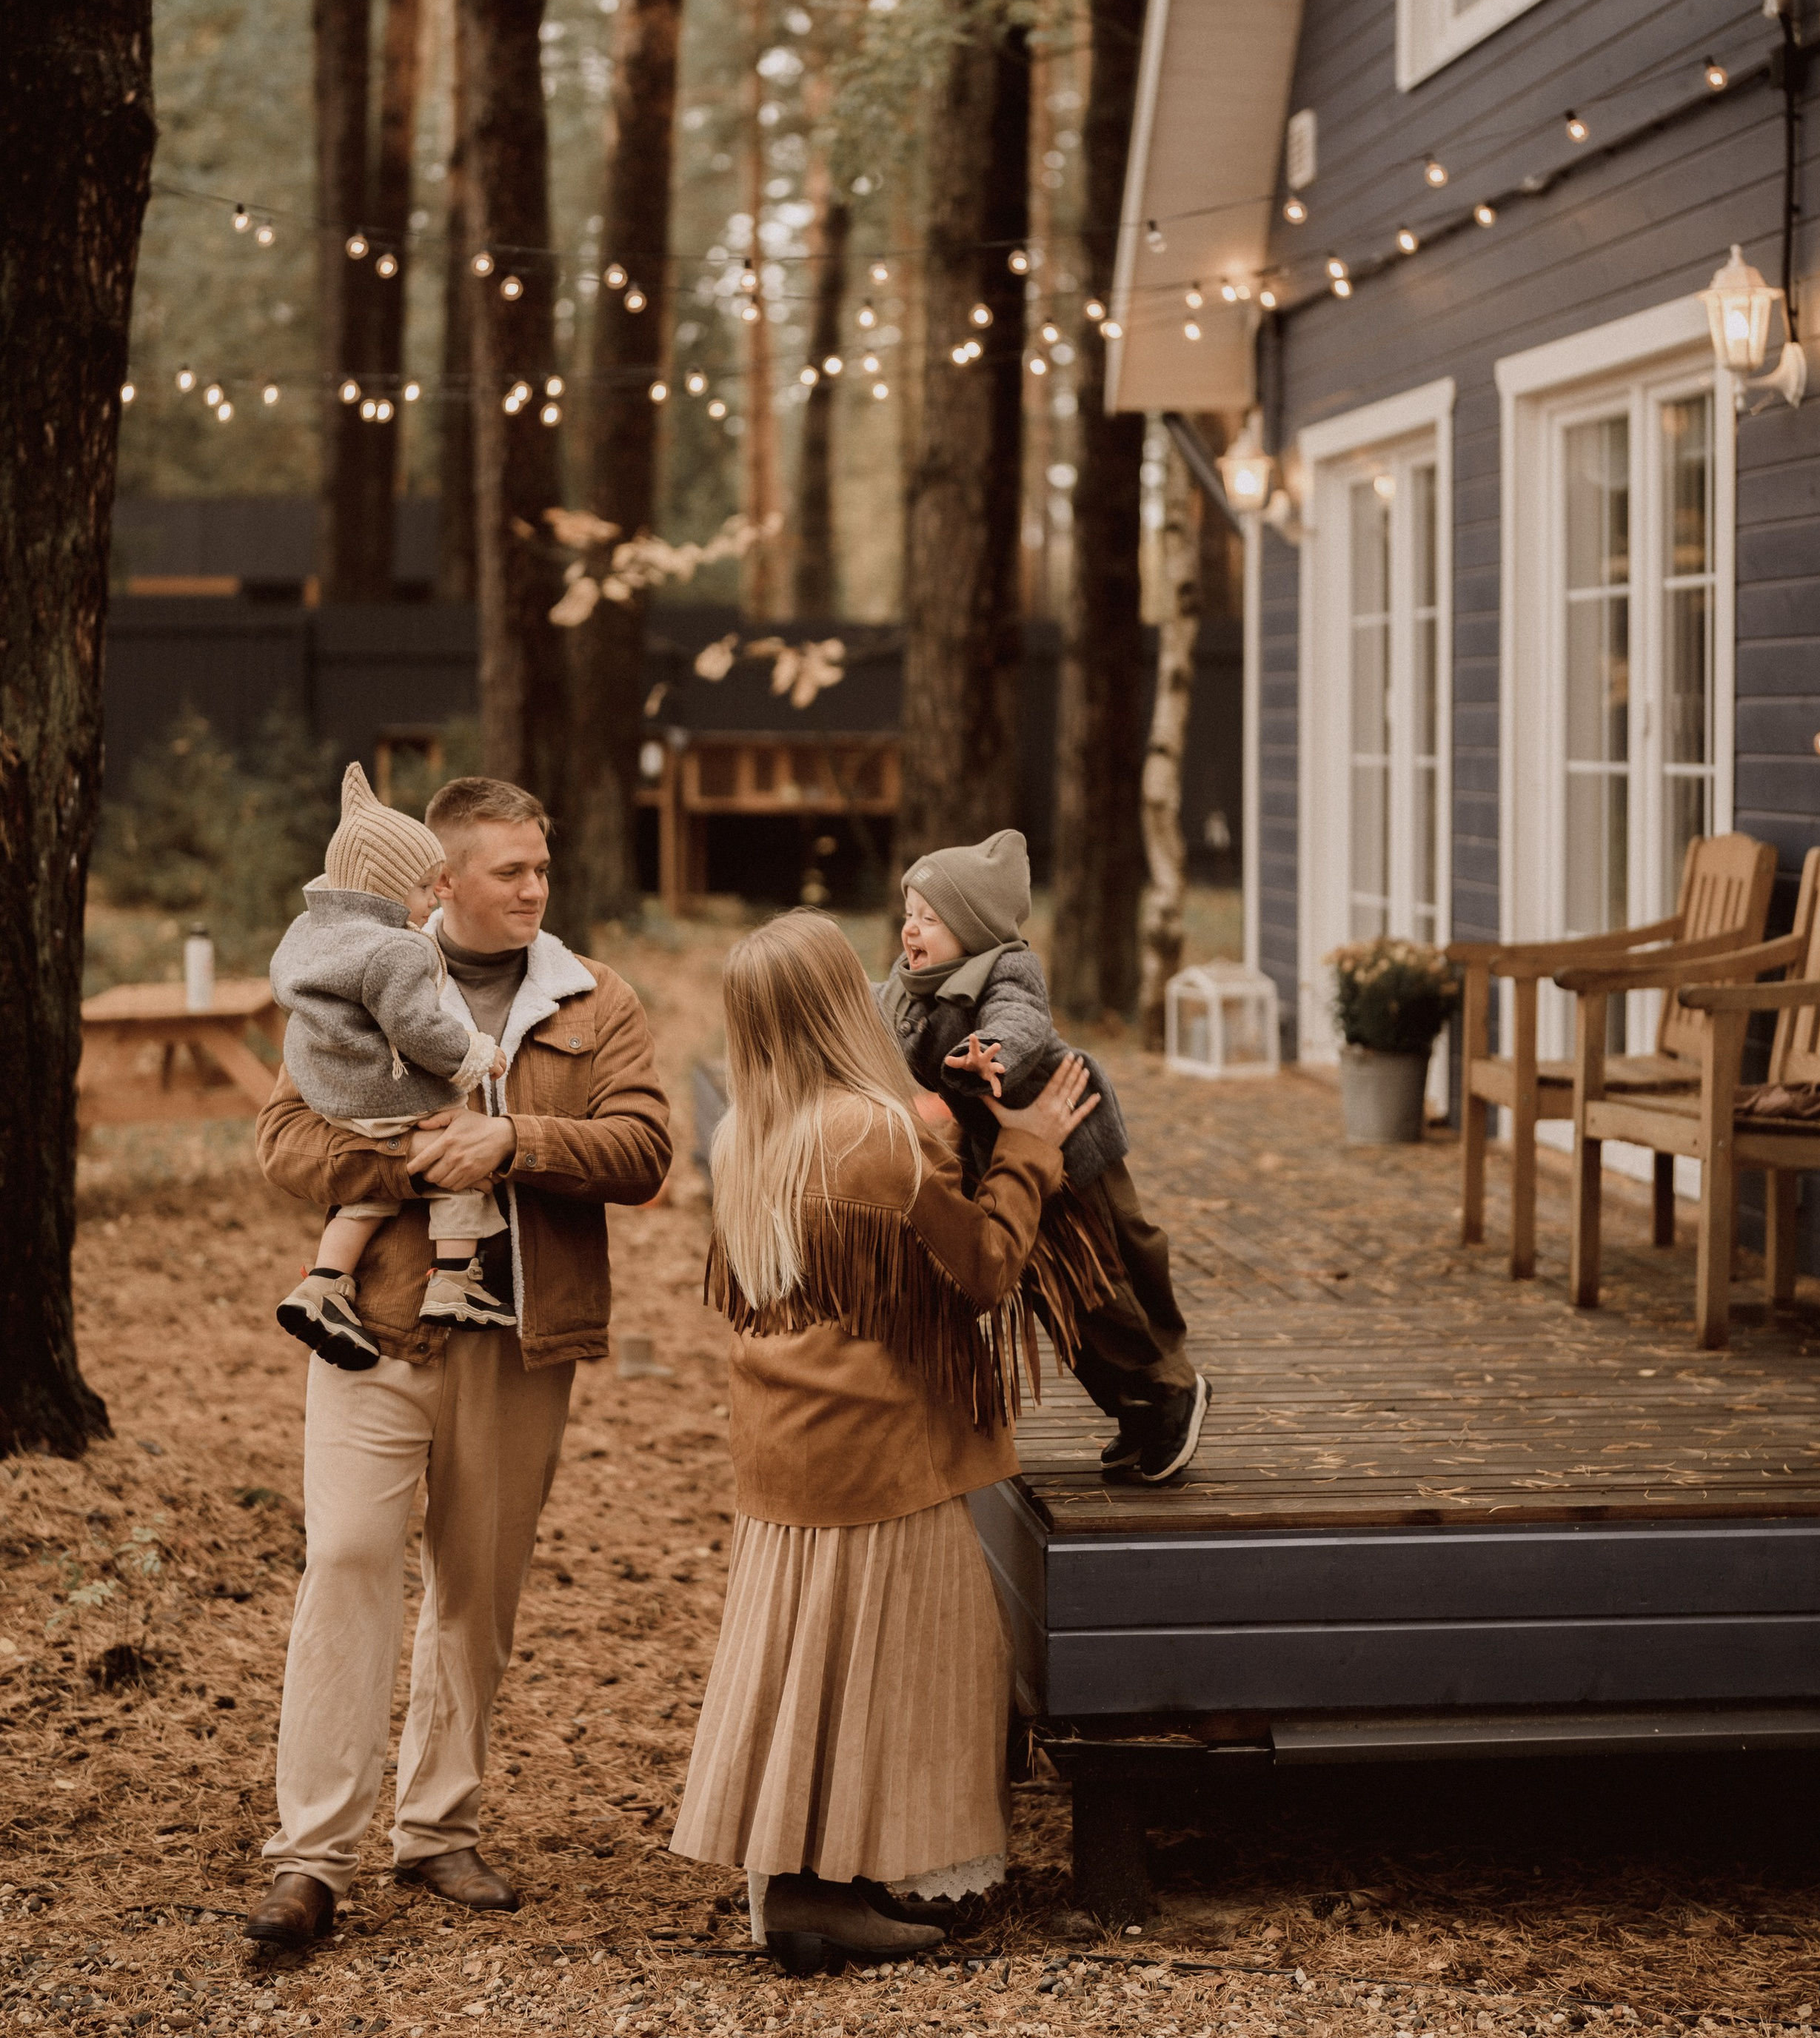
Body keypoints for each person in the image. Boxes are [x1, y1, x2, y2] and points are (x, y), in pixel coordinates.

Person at [243, 776, 672, 1951]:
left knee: (476, 1595)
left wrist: (517, 1140)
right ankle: (312, 1857)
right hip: (370, 1325)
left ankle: (437, 1829)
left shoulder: (596, 1001)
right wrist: (417, 1169)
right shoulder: (354, 971)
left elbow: (645, 1151)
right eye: (511, 872)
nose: (536, 889)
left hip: (520, 1339)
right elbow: (285, 1141)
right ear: (444, 881)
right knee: (345, 1558)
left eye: (544, 869)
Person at [670, 908, 1097, 1974]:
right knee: (901, 1662)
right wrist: (1032, 1152)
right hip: (877, 1456)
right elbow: (985, 1267)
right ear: (833, 1009)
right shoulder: (870, 1132)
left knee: (812, 1663)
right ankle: (829, 1897)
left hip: (784, 1449)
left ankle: (808, 1886)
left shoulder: (745, 1135)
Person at [878, 828, 1211, 1486]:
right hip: (1006, 1150)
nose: (911, 931)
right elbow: (883, 1019)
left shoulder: (1005, 969)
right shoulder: (911, 988)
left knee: (1113, 1266)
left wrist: (989, 1052)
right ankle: (1133, 1408)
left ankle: (1172, 1387)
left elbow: (1023, 1022)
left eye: (930, 918)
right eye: (909, 915)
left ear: (973, 927)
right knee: (1057, 1297)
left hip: (1075, 1138)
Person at [269, 761, 512, 1367]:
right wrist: (476, 1055)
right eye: (424, 887)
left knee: (368, 1198)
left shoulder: (309, 931)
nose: (433, 900)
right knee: (459, 1165)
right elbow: (417, 1030)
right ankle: (455, 1281)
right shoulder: (396, 949)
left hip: (333, 1095)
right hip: (389, 1096)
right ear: (382, 885)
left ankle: (323, 1284)